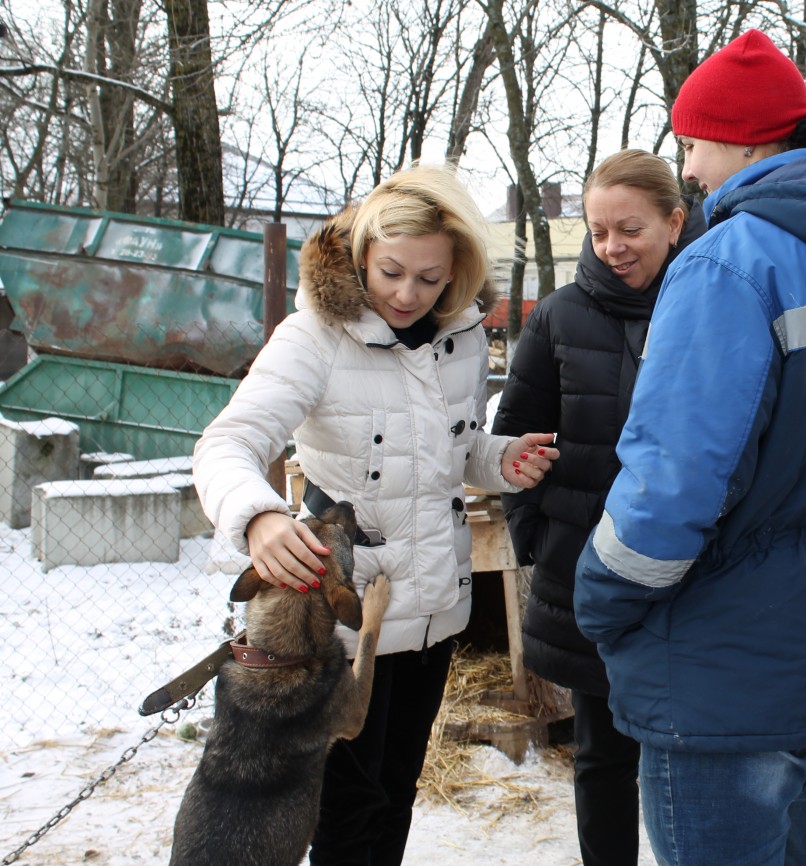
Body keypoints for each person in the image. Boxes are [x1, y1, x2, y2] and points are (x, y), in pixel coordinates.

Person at [573, 29, 806, 866]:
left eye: (693, 143)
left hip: (728, 657)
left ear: (740, 139)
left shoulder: (727, 265)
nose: (688, 169)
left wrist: (602, 595)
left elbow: (679, 477)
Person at [192, 163, 558, 866]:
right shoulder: (316, 335)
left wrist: (499, 458)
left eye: (430, 278)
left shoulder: (462, 334)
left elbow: (452, 448)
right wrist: (260, 518)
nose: (407, 294)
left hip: (433, 607)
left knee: (396, 792)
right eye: (391, 272)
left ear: (457, 270)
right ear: (362, 254)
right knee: (346, 813)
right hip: (345, 617)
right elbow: (227, 442)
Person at [491, 148, 706, 866]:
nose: (612, 247)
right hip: (591, 576)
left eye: (631, 229)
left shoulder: (711, 304)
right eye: (599, 230)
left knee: (694, 757)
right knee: (604, 756)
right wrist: (541, 541)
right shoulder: (558, 318)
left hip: (695, 580)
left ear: (675, 222)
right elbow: (512, 444)